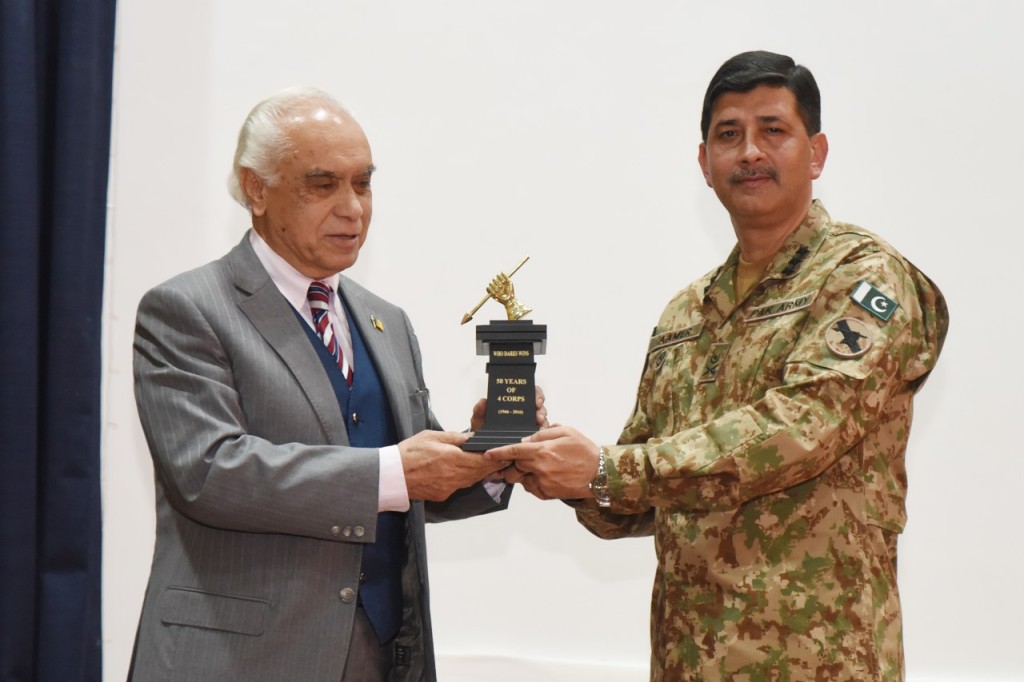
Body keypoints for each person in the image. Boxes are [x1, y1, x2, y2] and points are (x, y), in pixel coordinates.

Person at [488, 51, 948, 681]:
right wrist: (550, 460)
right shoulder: (687, 312)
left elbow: (800, 429)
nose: (750, 151)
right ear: (705, 163)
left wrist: (607, 469)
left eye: (773, 130)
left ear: (816, 154)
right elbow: (642, 489)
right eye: (729, 134)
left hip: (817, 661)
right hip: (689, 660)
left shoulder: (862, 276)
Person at [128, 86, 544, 681]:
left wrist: (489, 454)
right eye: (323, 185)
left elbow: (413, 482)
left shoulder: (386, 321)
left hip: (382, 655)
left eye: (363, 184)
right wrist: (396, 471)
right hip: (242, 662)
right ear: (256, 189)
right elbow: (210, 473)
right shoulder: (187, 309)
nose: (352, 208)